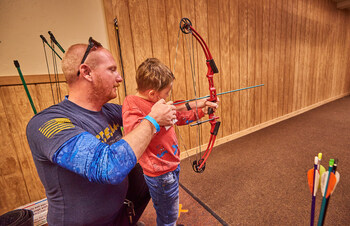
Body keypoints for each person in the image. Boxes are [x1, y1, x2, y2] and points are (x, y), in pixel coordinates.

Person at [26, 38, 177, 226]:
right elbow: (108, 167)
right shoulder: (48, 123)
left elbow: (160, 113)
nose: (120, 78)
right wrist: (153, 120)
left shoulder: (109, 110)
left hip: (121, 216)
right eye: (112, 70)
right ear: (86, 72)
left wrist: (199, 106)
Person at [122, 58, 218, 225]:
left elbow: (178, 116)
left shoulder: (156, 102)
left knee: (169, 204)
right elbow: (134, 135)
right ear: (152, 93)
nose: (168, 97)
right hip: (160, 172)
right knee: (168, 213)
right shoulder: (132, 105)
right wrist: (156, 120)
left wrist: (202, 110)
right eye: (166, 92)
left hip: (171, 165)